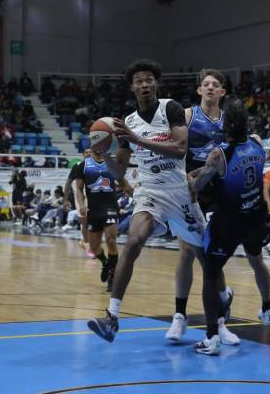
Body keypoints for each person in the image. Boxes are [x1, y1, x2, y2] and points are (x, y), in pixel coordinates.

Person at [87, 60, 214, 344]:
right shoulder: (127, 122)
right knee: (133, 242)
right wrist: (103, 153)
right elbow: (119, 172)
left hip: (179, 192)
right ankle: (112, 317)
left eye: (148, 80)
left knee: (207, 261)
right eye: (139, 81)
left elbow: (181, 149)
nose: (144, 85)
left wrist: (136, 140)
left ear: (155, 83)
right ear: (132, 86)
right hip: (150, 193)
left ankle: (221, 304)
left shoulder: (170, 108)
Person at [167, 69, 254, 342]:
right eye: (205, 84)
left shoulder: (230, 122)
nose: (210, 88)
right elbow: (174, 148)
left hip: (220, 192)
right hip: (191, 191)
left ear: (223, 92)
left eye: (215, 85)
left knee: (214, 257)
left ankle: (219, 322)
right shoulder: (188, 116)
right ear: (199, 90)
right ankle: (179, 317)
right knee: (186, 252)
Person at [188, 99, 270, 356]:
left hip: (229, 222)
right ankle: (267, 309)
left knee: (211, 272)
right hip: (255, 216)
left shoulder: (220, 154)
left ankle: (211, 336)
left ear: (226, 126)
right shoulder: (258, 141)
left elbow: (199, 185)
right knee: (257, 260)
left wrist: (191, 176)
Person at [72, 150, 122, 291]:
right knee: (94, 248)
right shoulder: (82, 165)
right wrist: (82, 204)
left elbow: (123, 183)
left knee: (111, 240)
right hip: (93, 209)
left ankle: (112, 274)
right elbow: (79, 189)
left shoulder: (111, 163)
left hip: (111, 206)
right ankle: (105, 262)